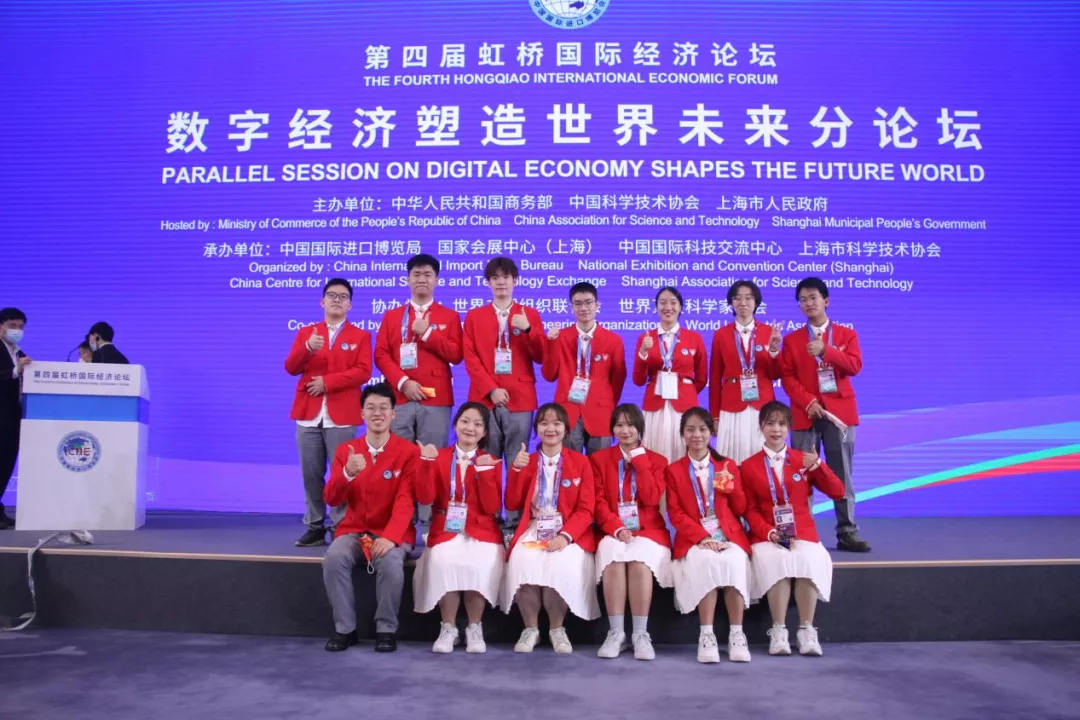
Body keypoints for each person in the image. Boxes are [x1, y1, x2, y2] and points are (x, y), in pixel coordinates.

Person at [742, 401, 847, 657]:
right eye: (770, 424)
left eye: (781, 424)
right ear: (761, 427)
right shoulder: (748, 466)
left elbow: (838, 491)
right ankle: (778, 630)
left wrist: (818, 465)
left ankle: (806, 629)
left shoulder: (803, 460)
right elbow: (749, 510)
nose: (776, 430)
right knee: (776, 559)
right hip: (767, 535)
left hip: (802, 533)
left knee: (808, 559)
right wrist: (769, 532)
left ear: (789, 428)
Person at [321, 382, 418, 653]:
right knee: (334, 557)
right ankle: (345, 629)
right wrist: (347, 474)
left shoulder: (407, 452)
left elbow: (405, 500)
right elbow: (331, 499)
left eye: (383, 408)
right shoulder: (346, 451)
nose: (377, 413)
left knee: (391, 562)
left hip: (391, 531)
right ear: (362, 413)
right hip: (354, 530)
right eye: (371, 408)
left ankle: (386, 630)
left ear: (393, 414)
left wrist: (391, 536)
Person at [499, 402, 600, 654]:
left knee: (561, 562)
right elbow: (511, 503)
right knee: (522, 560)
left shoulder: (581, 462)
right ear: (537, 429)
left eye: (556, 423)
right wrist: (516, 470)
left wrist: (565, 536)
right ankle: (530, 628)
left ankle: (557, 628)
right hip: (534, 526)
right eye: (544, 423)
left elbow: (586, 509)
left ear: (566, 429)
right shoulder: (527, 460)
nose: (550, 429)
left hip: (569, 530)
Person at [374, 253, 463, 534]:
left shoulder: (449, 316)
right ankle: (401, 520)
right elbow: (381, 354)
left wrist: (428, 334)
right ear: (407, 279)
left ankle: (430, 521)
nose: (421, 279)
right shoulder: (392, 316)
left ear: (437, 280)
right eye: (416, 274)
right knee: (398, 459)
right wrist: (402, 382)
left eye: (427, 274)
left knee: (432, 458)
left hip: (436, 399)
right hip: (400, 397)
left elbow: (456, 354)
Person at [781, 277, 870, 553]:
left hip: (839, 415)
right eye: (802, 300)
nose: (808, 303)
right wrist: (808, 402)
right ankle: (803, 534)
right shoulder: (792, 340)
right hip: (805, 414)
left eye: (813, 298)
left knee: (841, 474)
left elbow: (855, 366)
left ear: (826, 301)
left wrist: (826, 351)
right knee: (801, 475)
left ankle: (847, 532)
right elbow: (787, 377)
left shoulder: (846, 335)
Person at [285, 278, 372, 547]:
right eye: (332, 295)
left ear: (350, 305)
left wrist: (328, 382)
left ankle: (341, 525)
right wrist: (306, 349)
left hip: (342, 414)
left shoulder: (360, 336)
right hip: (308, 413)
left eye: (343, 296)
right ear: (322, 301)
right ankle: (314, 525)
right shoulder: (307, 333)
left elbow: (363, 372)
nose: (337, 300)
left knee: (342, 474)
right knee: (311, 473)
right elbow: (291, 367)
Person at [413, 402, 505, 654]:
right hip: (446, 529)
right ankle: (449, 627)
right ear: (455, 425)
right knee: (444, 560)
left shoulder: (491, 461)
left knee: (480, 562)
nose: (470, 428)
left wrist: (484, 471)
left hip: (482, 529)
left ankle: (475, 626)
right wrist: (426, 463)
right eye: (465, 421)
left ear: (484, 432)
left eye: (477, 424)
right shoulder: (438, 456)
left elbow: (491, 507)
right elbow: (425, 498)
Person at [665, 408, 752, 664]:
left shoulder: (726, 466)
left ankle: (737, 634)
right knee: (705, 562)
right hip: (695, 538)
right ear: (682, 434)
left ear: (711, 433)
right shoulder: (674, 470)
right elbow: (675, 514)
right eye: (690, 430)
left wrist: (732, 488)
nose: (697, 435)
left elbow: (741, 509)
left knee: (735, 560)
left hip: (728, 535)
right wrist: (702, 537)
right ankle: (706, 634)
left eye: (702, 429)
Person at [463, 257, 545, 528]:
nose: (500, 282)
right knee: (487, 459)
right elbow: (470, 357)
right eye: (495, 278)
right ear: (488, 283)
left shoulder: (529, 314)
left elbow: (541, 355)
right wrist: (491, 389)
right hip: (484, 398)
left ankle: (515, 517)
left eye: (505, 277)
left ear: (515, 281)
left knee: (517, 459)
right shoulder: (474, 316)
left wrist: (528, 330)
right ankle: (488, 516)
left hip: (520, 397)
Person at [590, 404, 671, 660]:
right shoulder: (599, 459)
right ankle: (616, 633)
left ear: (640, 428)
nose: (625, 431)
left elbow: (651, 498)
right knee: (613, 555)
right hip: (613, 529)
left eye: (630, 425)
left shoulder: (657, 460)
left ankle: (640, 634)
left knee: (639, 560)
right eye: (619, 425)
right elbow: (598, 502)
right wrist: (616, 528)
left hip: (649, 530)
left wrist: (640, 463)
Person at [542, 281, 626, 455]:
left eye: (588, 302)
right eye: (578, 303)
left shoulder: (613, 340)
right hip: (568, 410)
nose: (583, 308)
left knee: (600, 465)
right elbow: (549, 376)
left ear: (597, 305)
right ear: (571, 307)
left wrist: (607, 401)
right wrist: (551, 344)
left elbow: (618, 379)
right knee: (570, 465)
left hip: (601, 412)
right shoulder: (560, 337)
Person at [709, 280, 783, 463]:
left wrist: (774, 351)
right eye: (737, 298)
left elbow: (775, 374)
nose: (743, 303)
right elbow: (715, 377)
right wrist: (715, 416)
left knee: (762, 462)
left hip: (762, 404)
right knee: (730, 462)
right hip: (731, 405)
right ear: (731, 303)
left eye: (748, 298)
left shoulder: (769, 332)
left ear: (756, 302)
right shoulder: (721, 334)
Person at [633, 287, 708, 463]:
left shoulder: (694, 338)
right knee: (654, 453)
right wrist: (643, 352)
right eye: (663, 303)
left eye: (673, 303)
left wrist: (685, 390)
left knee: (683, 453)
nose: (668, 307)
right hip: (655, 405)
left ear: (680, 307)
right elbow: (638, 380)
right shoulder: (646, 337)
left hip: (684, 405)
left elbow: (702, 378)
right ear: (656, 307)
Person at [0, 308, 31, 530]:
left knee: (6, 465)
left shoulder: (19, 352)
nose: (17, 330)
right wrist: (15, 370)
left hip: (13, 417)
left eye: (21, 327)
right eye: (12, 326)